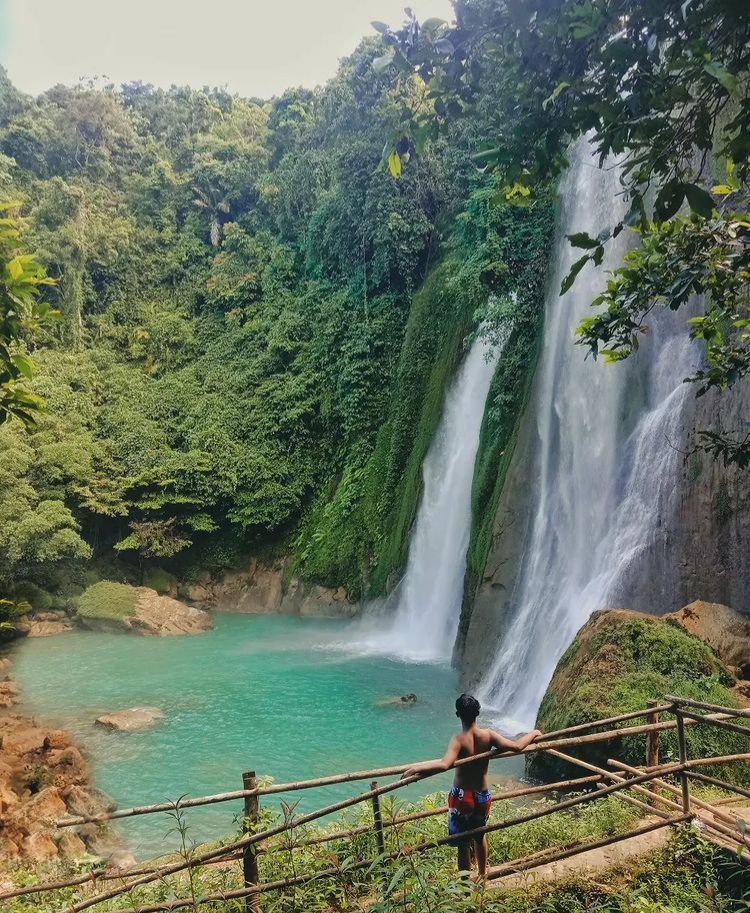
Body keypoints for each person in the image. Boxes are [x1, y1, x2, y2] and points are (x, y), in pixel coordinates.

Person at [401, 693, 542, 881]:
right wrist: (533, 733)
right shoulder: (488, 735)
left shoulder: (458, 740)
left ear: (457, 714)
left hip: (462, 797)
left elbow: (444, 764)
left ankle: (465, 888)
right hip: (482, 796)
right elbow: (517, 747)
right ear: (477, 713)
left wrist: (416, 768)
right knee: (480, 835)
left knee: (462, 843)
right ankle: (483, 877)